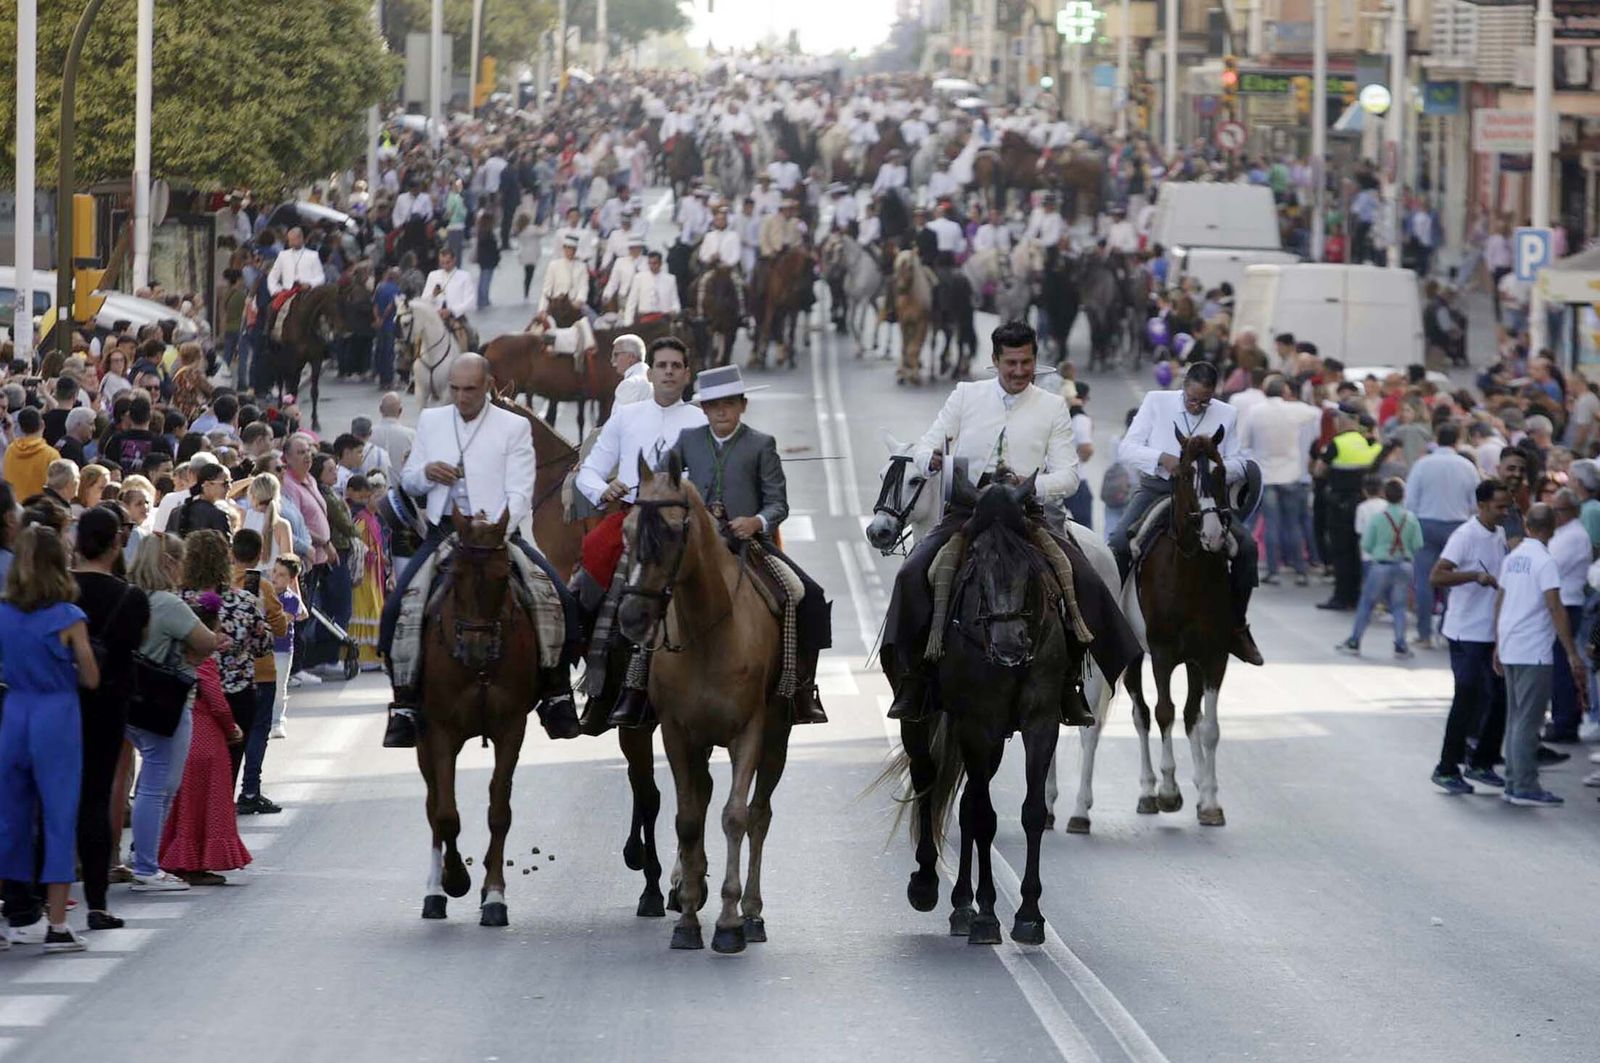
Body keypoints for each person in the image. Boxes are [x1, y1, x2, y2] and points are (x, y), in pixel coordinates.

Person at [882, 321, 1140, 725]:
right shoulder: (966, 395)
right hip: (969, 510)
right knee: (912, 573)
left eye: (1026, 362)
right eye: (1011, 363)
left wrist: (1030, 486)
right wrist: (929, 458)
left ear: (1035, 360)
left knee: (1083, 578)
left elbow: (1069, 476)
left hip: (1025, 512)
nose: (1019, 371)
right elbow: (927, 443)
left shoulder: (1052, 406)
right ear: (995, 361)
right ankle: (913, 680)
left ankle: (1071, 683)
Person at [379, 354, 580, 748]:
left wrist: (498, 523)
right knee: (396, 608)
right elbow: (411, 478)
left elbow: (522, 487)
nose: (460, 396)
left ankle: (557, 694)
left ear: (487, 385)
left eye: (469, 389)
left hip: (499, 535)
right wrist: (427, 473)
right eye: (454, 389)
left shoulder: (514, 426)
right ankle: (403, 701)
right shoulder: (434, 421)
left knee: (559, 599)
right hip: (445, 533)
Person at [667, 365, 830, 725]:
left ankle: (801, 687)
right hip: (696, 544)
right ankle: (636, 686)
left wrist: (757, 521)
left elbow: (778, 503)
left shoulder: (761, 444)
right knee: (649, 588)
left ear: (743, 406)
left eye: (729, 403)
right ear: (704, 410)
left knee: (804, 594)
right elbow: (666, 484)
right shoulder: (687, 441)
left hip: (749, 544)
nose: (721, 411)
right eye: (713, 405)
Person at [1111, 361, 1263, 665]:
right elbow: (1127, 448)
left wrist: (1209, 466)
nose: (1198, 406)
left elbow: (1237, 461)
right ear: (1184, 387)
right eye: (1193, 400)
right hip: (1159, 487)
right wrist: (1162, 459)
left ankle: (1237, 626)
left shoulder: (1227, 413)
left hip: (1203, 494)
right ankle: (1112, 623)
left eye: (1204, 401)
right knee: (1116, 544)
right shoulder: (1156, 401)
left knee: (1246, 547)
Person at [0, 525, 101, 953]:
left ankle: (5, 918)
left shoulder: (3, 612)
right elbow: (92, 677)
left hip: (15, 712)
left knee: (8, 817)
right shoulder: (69, 618)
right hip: (56, 714)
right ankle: (57, 924)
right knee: (59, 816)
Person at [72, 508, 151, 931]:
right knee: (96, 799)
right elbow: (137, 643)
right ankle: (97, 902)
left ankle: (35, 902)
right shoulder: (131, 597)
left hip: (61, 702)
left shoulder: (60, 594)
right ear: (116, 543)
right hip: (108, 706)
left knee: (51, 800)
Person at [1494, 503, 1587, 806]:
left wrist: (1497, 641)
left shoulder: (1514, 557)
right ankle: (1524, 785)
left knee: (1515, 717)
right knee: (1528, 721)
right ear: (1552, 528)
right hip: (1533, 649)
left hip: (1510, 644)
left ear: (1527, 526)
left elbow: (1501, 599)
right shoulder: (1545, 561)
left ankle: (1512, 779)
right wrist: (1571, 652)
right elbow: (1555, 606)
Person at [157, 595, 252, 884]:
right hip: (207, 737)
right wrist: (231, 727)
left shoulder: (177, 654)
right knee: (207, 803)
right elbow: (217, 701)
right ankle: (196, 862)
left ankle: (177, 857)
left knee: (185, 803)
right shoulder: (204, 662)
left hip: (183, 732)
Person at [1429, 479, 1513, 794]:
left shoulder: (1501, 533)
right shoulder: (1465, 535)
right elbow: (1436, 575)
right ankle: (1447, 767)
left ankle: (1482, 762)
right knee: (1466, 699)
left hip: (1492, 630)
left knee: (1499, 698)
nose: (1505, 512)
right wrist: (1474, 576)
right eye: (1499, 507)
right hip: (1466, 632)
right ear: (1481, 506)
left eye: (1507, 506)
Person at [180, 529, 272, 791]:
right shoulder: (244, 601)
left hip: (191, 694)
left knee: (190, 774)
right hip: (237, 694)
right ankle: (221, 819)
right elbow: (262, 647)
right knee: (228, 771)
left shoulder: (177, 602)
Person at [1238, 376, 1324, 586]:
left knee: (1271, 525)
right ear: (1285, 393)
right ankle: (1300, 570)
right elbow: (1318, 413)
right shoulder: (1293, 410)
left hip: (1266, 475)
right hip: (1291, 474)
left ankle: (1273, 570)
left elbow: (1245, 442)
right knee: (1293, 524)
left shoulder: (1255, 412)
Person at [1404, 422, 1481, 648]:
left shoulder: (1422, 464)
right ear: (1458, 439)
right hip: (1456, 527)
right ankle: (1448, 629)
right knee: (1452, 581)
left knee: (1425, 580)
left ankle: (1424, 634)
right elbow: (1475, 502)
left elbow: (1411, 501)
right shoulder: (1467, 467)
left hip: (1426, 524)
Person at [231, 528, 288, 816]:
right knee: (258, 730)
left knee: (231, 732)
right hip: (261, 669)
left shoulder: (223, 583)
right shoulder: (263, 586)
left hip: (229, 670)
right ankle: (250, 790)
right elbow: (280, 627)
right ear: (260, 553)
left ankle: (223, 791)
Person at [1337, 477, 1422, 658]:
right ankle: (1400, 644)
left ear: (1385, 494)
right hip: (1405, 565)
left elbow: (1367, 544)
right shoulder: (1411, 518)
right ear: (1403, 496)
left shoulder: (1378, 518)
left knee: (1367, 603)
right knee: (1399, 606)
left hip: (1381, 565)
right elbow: (1417, 544)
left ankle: (1354, 640)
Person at [1543, 488, 1592, 744]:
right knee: (1559, 665)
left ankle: (1565, 722)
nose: (1555, 515)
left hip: (1568, 603)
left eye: (1558, 510)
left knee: (1562, 666)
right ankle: (1562, 718)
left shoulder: (1573, 535)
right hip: (1562, 602)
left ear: (1572, 511)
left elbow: (1551, 565)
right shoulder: (1564, 533)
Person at [347, 474, 389, 669]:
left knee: (375, 607)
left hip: (376, 573)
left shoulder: (374, 519)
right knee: (365, 608)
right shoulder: (362, 519)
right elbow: (357, 545)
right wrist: (371, 555)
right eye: (376, 497)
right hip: (365, 574)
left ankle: (372, 655)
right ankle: (362, 655)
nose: (380, 501)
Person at [269, 555, 307, 739]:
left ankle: (277, 720)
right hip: (264, 649)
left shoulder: (291, 599)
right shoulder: (264, 592)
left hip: (282, 649)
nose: (275, 577)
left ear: (291, 580)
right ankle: (263, 718)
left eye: (282, 575)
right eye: (275, 571)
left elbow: (282, 621)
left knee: (279, 687)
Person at [3, 406, 60, 500]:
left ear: (20, 427)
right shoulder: (51, 455)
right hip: (40, 511)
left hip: (15, 509)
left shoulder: (10, 450)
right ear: (42, 424)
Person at [623, 250, 681, 324]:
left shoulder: (670, 279)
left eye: (655, 263)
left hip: (664, 320)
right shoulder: (639, 278)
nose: (652, 266)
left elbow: (675, 300)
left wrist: (674, 310)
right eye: (650, 263)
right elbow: (631, 302)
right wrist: (628, 322)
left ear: (660, 263)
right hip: (645, 319)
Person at [611, 333, 652, 407]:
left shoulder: (630, 384)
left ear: (631, 356)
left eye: (616, 355)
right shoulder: (653, 377)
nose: (612, 360)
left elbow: (621, 417)